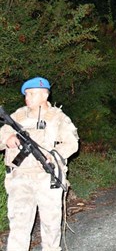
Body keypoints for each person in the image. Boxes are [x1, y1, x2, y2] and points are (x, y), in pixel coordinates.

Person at [0, 77, 79, 251]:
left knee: (50, 225)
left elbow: (72, 144)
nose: (27, 98)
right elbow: (1, 138)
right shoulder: (17, 116)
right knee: (19, 225)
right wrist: (8, 139)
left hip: (46, 178)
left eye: (32, 94)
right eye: (26, 94)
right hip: (19, 179)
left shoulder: (57, 117)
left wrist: (53, 155)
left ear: (45, 95)